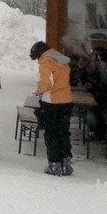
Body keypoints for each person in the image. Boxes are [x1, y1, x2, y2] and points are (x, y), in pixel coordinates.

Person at [31, 40, 74, 176]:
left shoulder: (46, 62)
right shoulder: (61, 60)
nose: (38, 60)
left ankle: (54, 164)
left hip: (51, 102)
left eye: (37, 57)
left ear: (40, 54)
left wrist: (38, 91)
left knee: (51, 133)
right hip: (66, 101)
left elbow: (46, 83)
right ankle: (66, 164)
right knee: (64, 132)